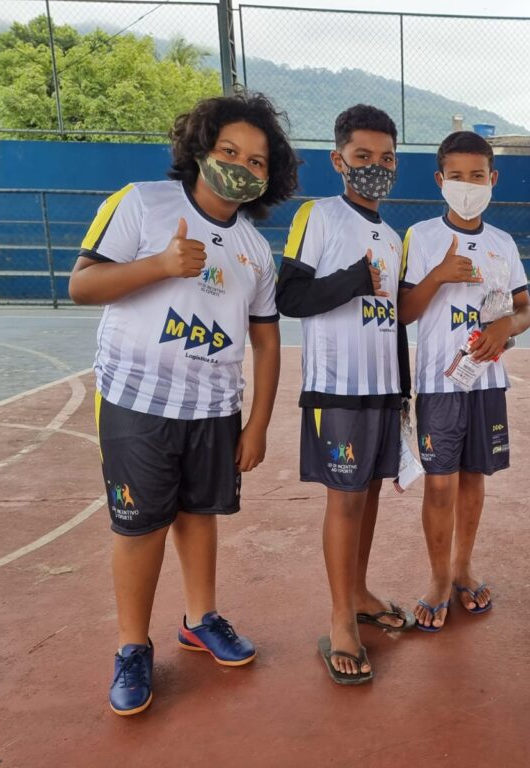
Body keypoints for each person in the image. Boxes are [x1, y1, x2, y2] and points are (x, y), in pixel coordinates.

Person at [69, 92, 299, 715]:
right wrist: (161, 264)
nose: (241, 166)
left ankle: (200, 619)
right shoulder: (143, 202)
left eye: (256, 161)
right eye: (229, 150)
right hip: (137, 400)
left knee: (200, 515)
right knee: (140, 526)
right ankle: (131, 646)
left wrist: (257, 423)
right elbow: (83, 283)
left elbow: (267, 338)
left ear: (267, 177)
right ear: (200, 147)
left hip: (213, 407)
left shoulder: (254, 249)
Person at [275, 104, 414, 686]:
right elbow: (291, 295)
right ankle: (338, 620)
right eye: (362, 157)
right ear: (339, 161)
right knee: (346, 500)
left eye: (385, 159)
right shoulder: (319, 216)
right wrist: (355, 277)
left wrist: (405, 388)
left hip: (383, 387)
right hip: (338, 388)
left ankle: (358, 591)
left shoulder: (394, 234)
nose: (374, 168)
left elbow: (396, 316)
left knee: (372, 495)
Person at [397, 130, 530, 631]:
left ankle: (462, 569)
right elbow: (404, 312)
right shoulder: (420, 236)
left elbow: (525, 311)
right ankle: (436, 579)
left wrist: (506, 328)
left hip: (487, 381)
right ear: (440, 180)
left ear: (493, 179)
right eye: (457, 176)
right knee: (440, 484)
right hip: (439, 383)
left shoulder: (503, 243)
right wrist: (437, 275)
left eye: (477, 176)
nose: (467, 185)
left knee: (474, 480)